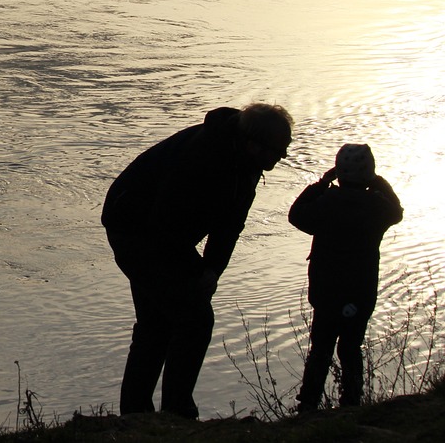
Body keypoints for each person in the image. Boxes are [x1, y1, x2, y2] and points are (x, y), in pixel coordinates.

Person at [101, 103, 293, 419]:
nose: (280, 158)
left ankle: (139, 416)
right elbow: (165, 225)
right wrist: (195, 274)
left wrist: (213, 269)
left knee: (158, 324)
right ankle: (175, 413)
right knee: (193, 319)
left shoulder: (245, 163)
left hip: (160, 233)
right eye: (278, 151)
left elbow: (230, 224)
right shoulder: (202, 157)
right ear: (254, 144)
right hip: (133, 228)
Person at [289, 143, 402, 411]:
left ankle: (308, 405)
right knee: (351, 348)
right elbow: (397, 211)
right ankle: (351, 403)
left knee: (320, 350)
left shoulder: (326, 202)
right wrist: (379, 183)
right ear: (369, 173)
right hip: (360, 294)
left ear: (338, 172)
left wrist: (321, 184)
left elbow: (296, 214)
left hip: (326, 293)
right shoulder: (377, 206)